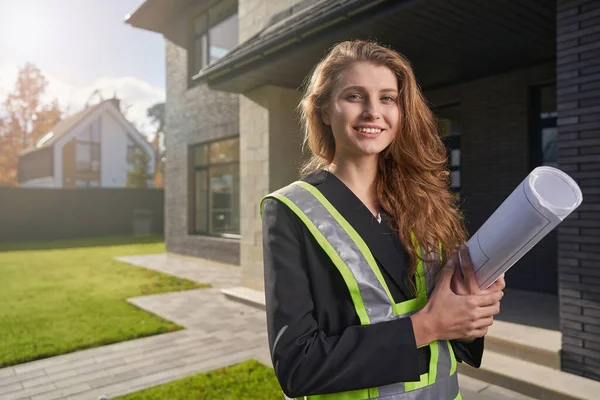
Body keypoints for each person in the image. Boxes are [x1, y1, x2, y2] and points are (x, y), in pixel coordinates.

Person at [260, 40, 506, 400]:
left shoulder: (425, 202)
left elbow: (452, 337)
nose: (373, 111)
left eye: (387, 98)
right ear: (325, 110)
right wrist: (427, 325)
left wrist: (468, 317)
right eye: (355, 96)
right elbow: (298, 366)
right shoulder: (289, 210)